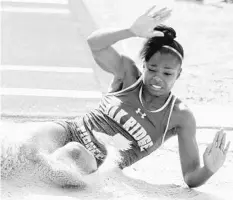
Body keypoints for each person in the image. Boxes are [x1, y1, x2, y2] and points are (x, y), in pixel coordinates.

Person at [1, 6, 230, 188]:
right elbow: (94, 43)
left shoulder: (180, 116)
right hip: (71, 129)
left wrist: (209, 169)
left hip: (95, 159)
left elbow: (191, 177)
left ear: (178, 74)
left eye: (167, 73)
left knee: (71, 154)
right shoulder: (128, 74)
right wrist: (130, 31)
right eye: (152, 69)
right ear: (145, 66)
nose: (157, 77)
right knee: (28, 143)